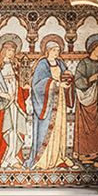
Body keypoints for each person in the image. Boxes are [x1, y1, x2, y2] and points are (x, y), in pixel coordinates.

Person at [0, 35, 30, 168]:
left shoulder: (16, 68)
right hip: (2, 107)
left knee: (15, 130)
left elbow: (20, 86)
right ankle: (0, 159)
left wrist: (25, 89)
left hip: (15, 104)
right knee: (3, 131)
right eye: (9, 50)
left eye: (13, 51)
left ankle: (14, 158)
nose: (12, 53)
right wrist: (2, 94)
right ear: (3, 50)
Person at [30, 35, 75, 170]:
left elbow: (66, 77)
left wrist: (68, 80)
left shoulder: (60, 63)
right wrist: (56, 84)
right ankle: (44, 159)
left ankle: (59, 157)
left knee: (60, 127)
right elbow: (36, 85)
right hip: (47, 102)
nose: (57, 52)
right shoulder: (42, 64)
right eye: (54, 50)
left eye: (58, 50)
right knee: (47, 128)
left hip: (60, 99)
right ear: (48, 50)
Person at [73, 34, 98, 168]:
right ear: (92, 49)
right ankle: (85, 157)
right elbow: (78, 81)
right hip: (87, 102)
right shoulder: (83, 63)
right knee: (86, 129)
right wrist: (91, 79)